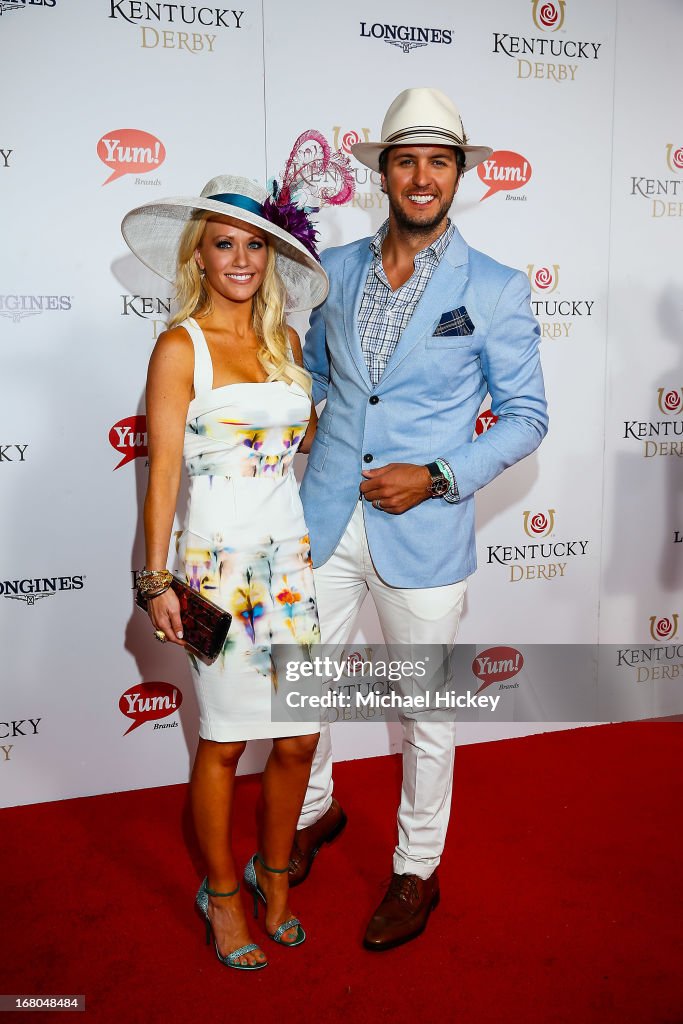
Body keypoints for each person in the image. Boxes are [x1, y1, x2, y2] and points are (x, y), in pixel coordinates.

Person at [290, 88, 549, 950]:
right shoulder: (332, 268)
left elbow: (525, 416)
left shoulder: (498, 289)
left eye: (439, 160)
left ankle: (416, 869)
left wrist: (438, 475)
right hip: (325, 516)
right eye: (406, 159)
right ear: (383, 174)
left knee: (424, 715)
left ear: (461, 175)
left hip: (424, 528)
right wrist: (313, 415)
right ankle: (316, 811)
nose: (422, 176)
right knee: (304, 690)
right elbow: (323, 380)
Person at [121, 175, 329, 971]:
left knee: (298, 741)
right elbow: (162, 475)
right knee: (223, 743)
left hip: (289, 567)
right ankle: (222, 893)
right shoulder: (181, 346)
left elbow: (298, 448)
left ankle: (273, 877)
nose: (239, 259)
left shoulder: (286, 343)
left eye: (253, 245)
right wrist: (155, 580)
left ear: (270, 256)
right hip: (215, 573)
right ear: (200, 257)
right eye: (223, 244)